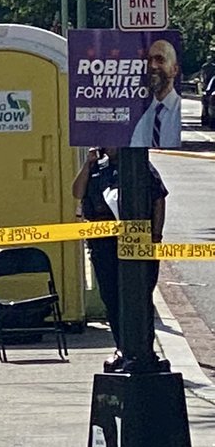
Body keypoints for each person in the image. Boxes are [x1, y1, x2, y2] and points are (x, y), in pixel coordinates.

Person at [72, 146, 166, 371]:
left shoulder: (139, 166)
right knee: (111, 298)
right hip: (103, 241)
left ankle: (145, 351)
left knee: (139, 297)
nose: (109, 145)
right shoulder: (97, 168)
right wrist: (88, 164)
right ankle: (121, 348)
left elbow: (159, 199)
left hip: (137, 240)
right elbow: (77, 192)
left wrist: (156, 236)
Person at [129, 39, 181, 148]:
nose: (153, 66)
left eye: (160, 60)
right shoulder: (144, 118)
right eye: (149, 60)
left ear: (174, 70)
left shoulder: (178, 111)